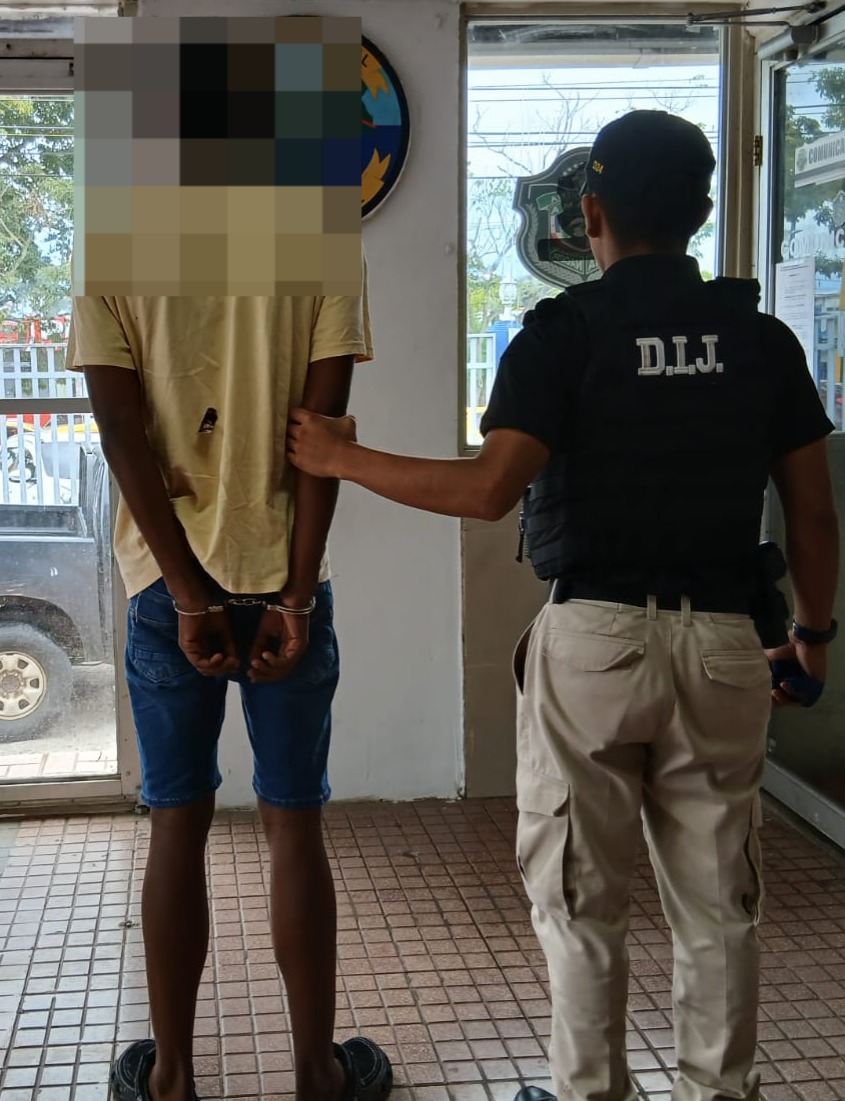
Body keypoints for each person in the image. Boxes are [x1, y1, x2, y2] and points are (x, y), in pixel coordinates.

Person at [286, 111, 840, 1101]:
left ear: (589, 215)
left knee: (581, 904)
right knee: (718, 907)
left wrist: (342, 456)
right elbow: (811, 511)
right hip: (726, 643)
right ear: (701, 212)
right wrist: (810, 635)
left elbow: (486, 490)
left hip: (591, 643)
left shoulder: (563, 334)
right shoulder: (761, 340)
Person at [68, 284, 393, 1101]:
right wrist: (297, 596)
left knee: (176, 822)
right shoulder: (319, 234)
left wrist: (185, 591)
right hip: (284, 572)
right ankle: (317, 1075)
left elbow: (120, 429)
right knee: (294, 820)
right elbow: (320, 435)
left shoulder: (115, 237)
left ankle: (171, 1077)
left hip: (164, 580)